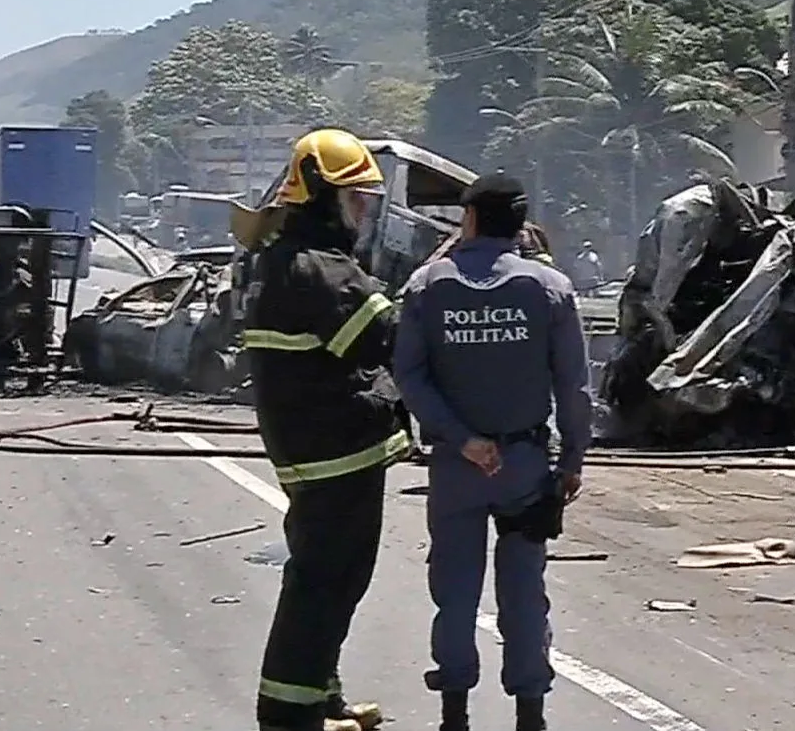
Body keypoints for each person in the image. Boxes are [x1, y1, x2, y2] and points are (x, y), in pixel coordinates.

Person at [392, 171, 592, 731]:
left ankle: (454, 712)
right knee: (524, 592)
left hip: (457, 468)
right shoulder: (549, 288)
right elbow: (574, 386)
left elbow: (409, 375)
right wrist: (573, 458)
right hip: (524, 465)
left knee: (455, 591)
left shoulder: (428, 286)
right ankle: (531, 713)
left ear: (470, 219)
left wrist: (462, 439)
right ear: (522, 224)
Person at [232, 128, 410, 731]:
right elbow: (387, 338)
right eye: (357, 197)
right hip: (335, 451)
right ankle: (288, 715)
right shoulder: (318, 269)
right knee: (326, 582)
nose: (364, 211)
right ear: (322, 195)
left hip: (310, 449)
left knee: (327, 577)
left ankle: (318, 698)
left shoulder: (280, 260)